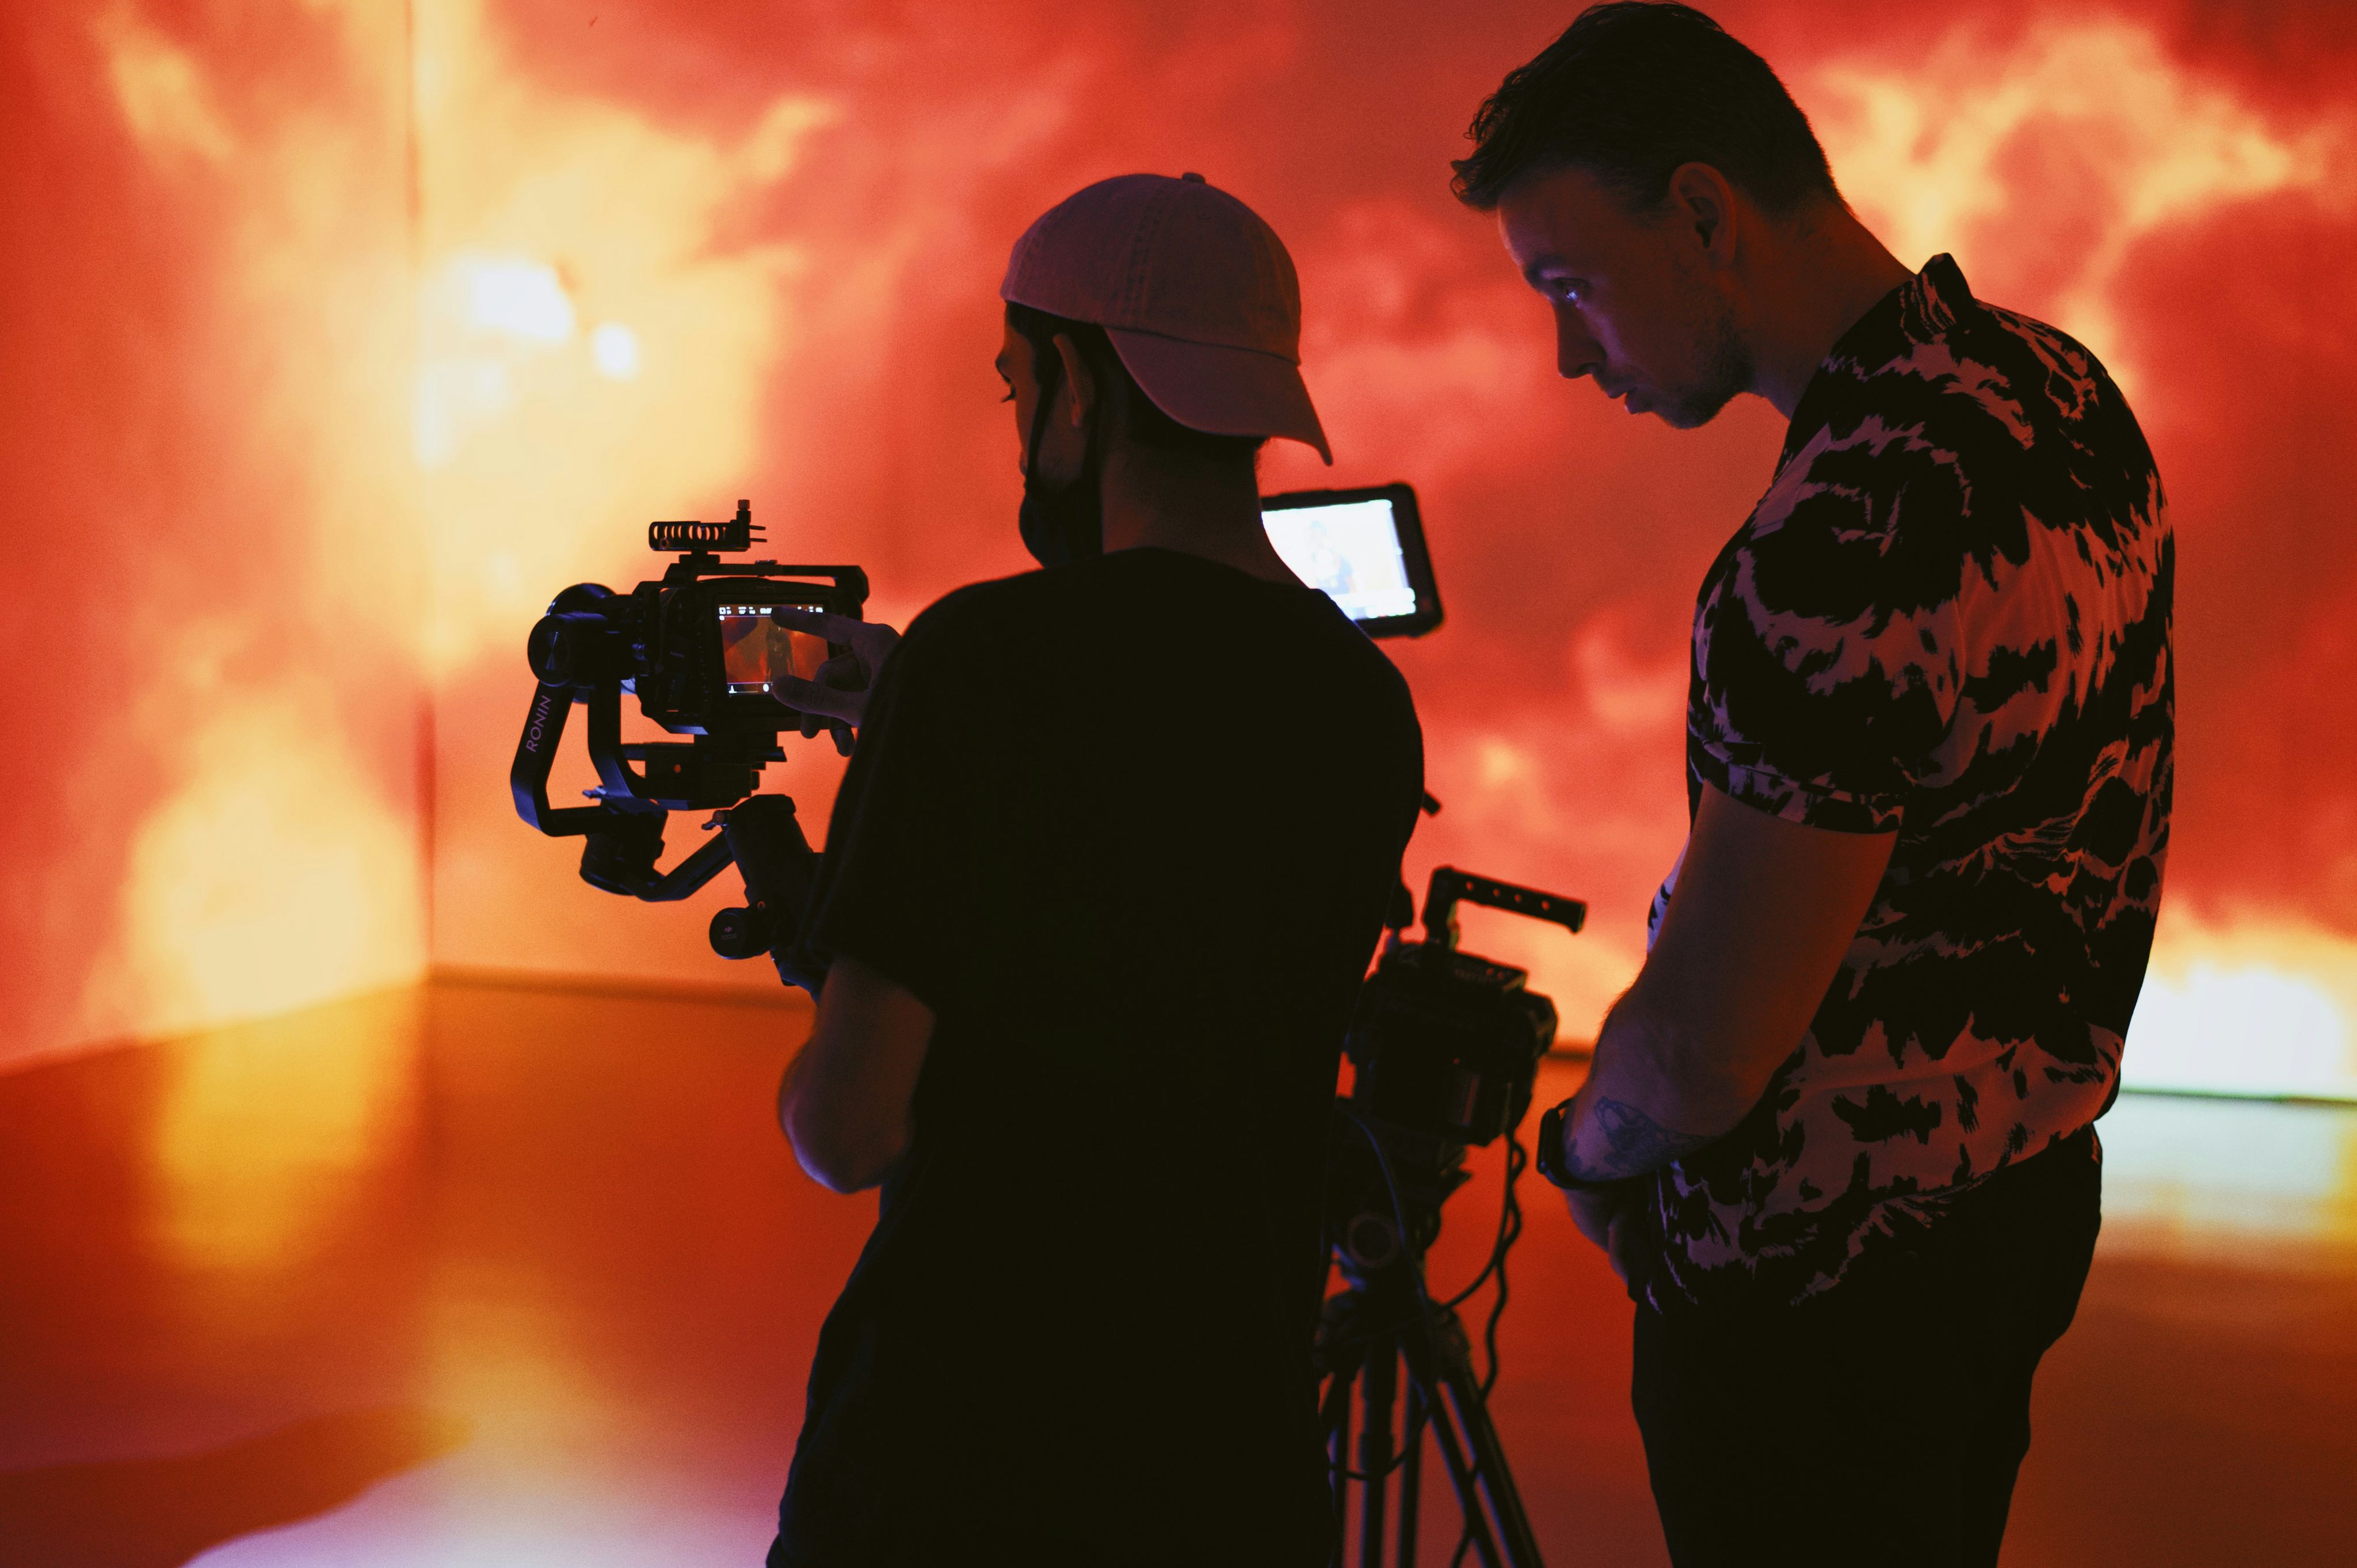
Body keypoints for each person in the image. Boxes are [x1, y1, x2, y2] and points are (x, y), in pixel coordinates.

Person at [1450, 6, 2172, 1565]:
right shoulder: (2060, 393)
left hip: (1822, 1304)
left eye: (1571, 284)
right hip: (2024, 1204)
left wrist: (1583, 1146)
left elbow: (1709, 1050)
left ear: (1706, 213)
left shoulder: (1838, 543)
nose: (1572, 350)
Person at [724, 173, 1425, 1567]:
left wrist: (912, 756)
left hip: (958, 1465)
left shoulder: (981, 664)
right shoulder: (1363, 704)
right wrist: (920, 728)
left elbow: (843, 1130)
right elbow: (1162, 839)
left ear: (1078, 388)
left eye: (1014, 386)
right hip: (1227, 1462)